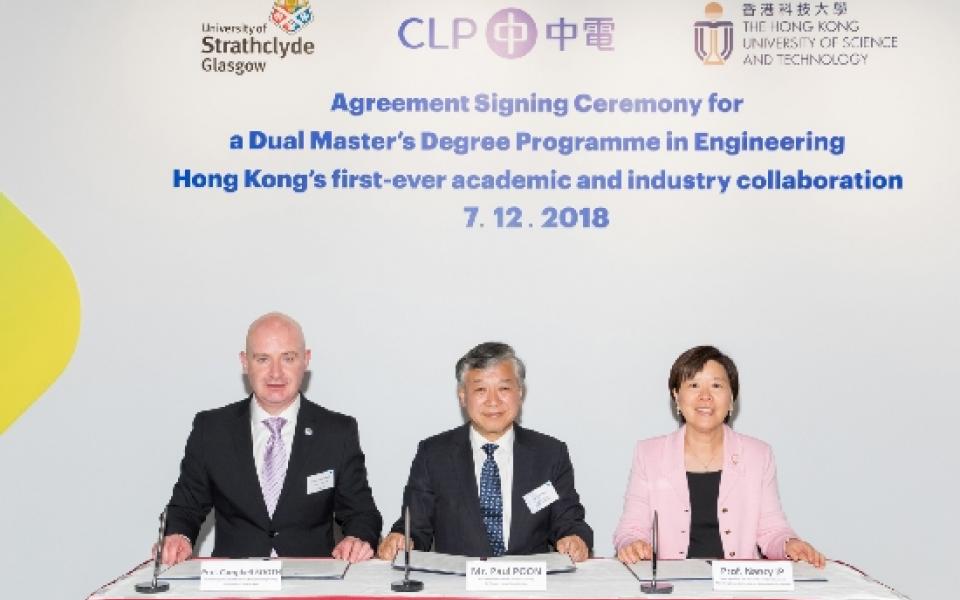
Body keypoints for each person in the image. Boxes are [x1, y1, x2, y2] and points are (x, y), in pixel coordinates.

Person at [159, 312, 381, 565]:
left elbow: (363, 513)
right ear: (245, 362)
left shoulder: (338, 431)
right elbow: (185, 507)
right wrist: (178, 536)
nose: (276, 373)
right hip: (233, 584)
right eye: (263, 359)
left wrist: (357, 537)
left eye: (288, 358)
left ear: (306, 360)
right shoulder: (211, 429)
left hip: (311, 583)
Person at [377, 342, 592, 562]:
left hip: (528, 584)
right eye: (480, 389)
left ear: (520, 393)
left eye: (504, 389)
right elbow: (414, 525)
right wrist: (402, 538)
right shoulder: (433, 454)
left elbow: (569, 521)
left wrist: (574, 538)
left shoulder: (550, 453)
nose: (493, 401)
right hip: (458, 585)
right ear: (462, 396)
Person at [613, 345, 825, 567]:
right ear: (676, 395)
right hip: (674, 587)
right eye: (694, 385)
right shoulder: (649, 454)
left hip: (737, 587)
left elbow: (772, 529)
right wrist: (632, 544)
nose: (705, 396)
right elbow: (631, 528)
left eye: (716, 385)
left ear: (732, 397)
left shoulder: (758, 455)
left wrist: (788, 544)